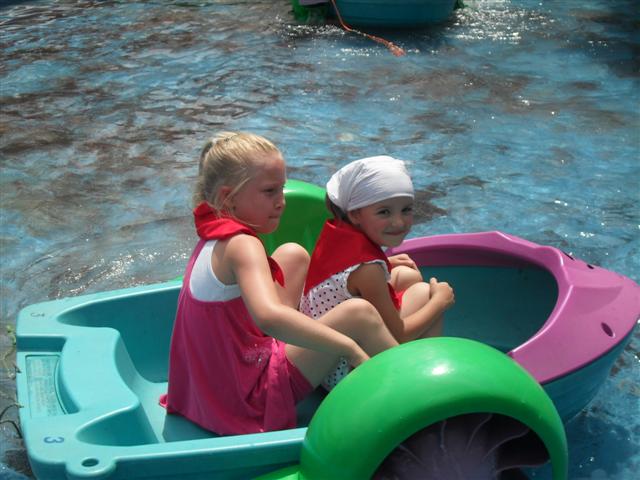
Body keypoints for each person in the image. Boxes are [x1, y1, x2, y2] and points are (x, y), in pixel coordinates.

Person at [160, 132, 398, 436]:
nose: (282, 202)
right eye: (270, 191)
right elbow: (268, 317)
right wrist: (347, 346)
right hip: (249, 399)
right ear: (227, 198)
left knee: (293, 254)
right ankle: (414, 388)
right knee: (359, 314)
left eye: (282, 189)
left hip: (210, 390)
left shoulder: (214, 235)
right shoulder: (243, 245)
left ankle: (310, 342)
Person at [300, 156, 455, 389]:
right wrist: (439, 302)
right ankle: (424, 381)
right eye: (384, 212)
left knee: (407, 274)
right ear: (355, 214)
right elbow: (400, 335)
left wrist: (386, 262)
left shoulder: (338, 230)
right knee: (425, 293)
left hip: (320, 356)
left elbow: (343, 274)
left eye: (406, 209)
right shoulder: (368, 270)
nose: (399, 222)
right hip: (346, 372)